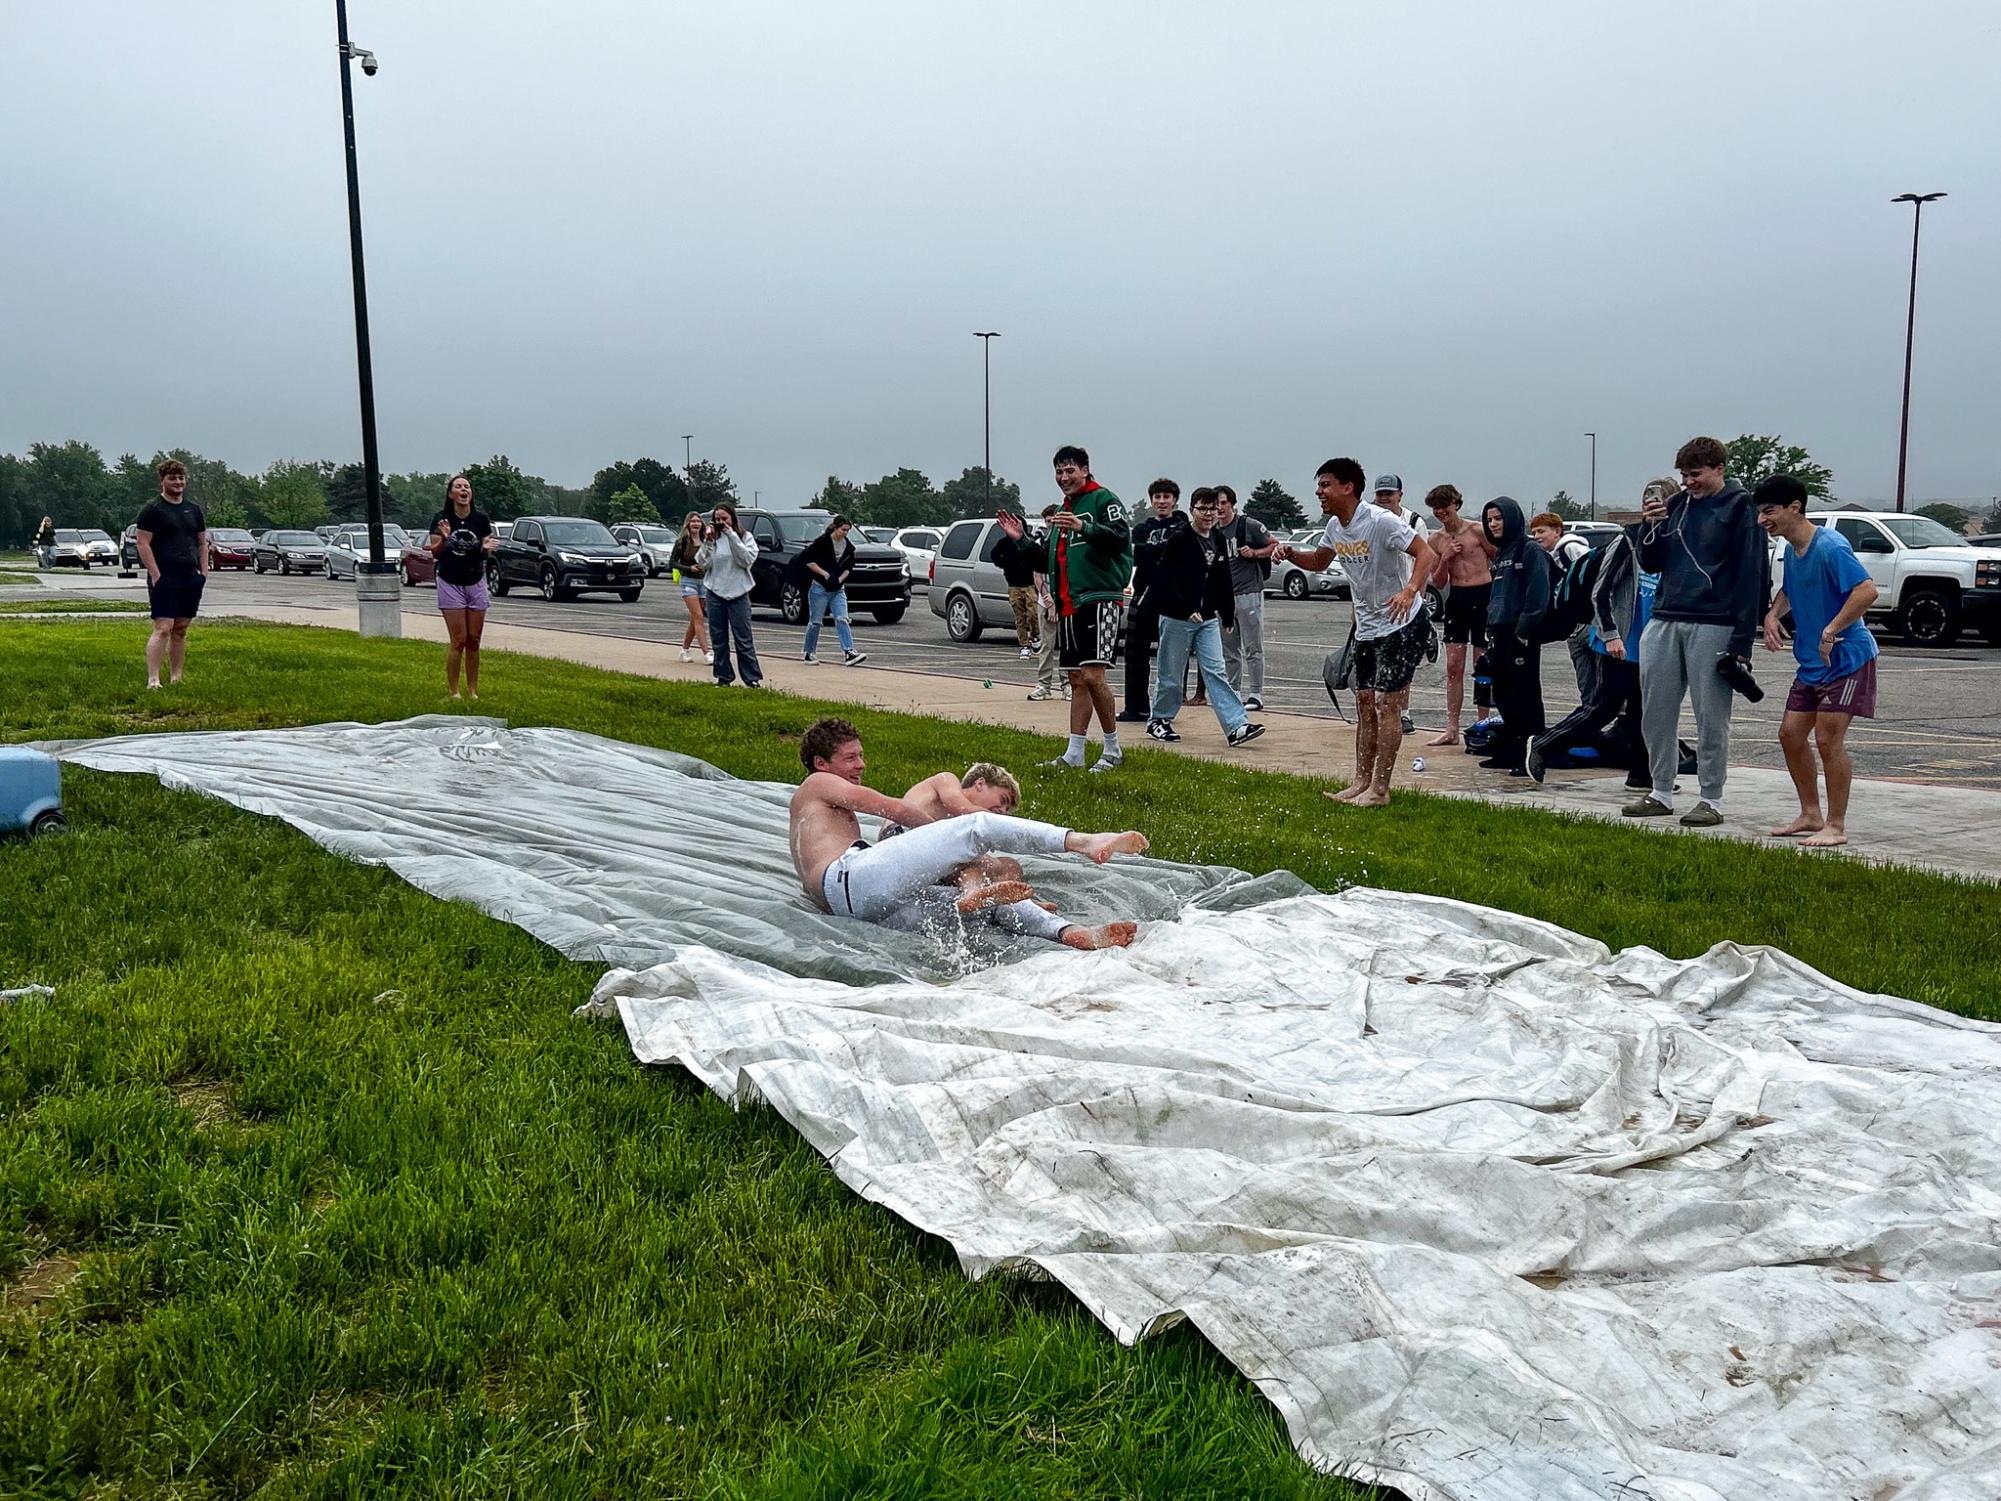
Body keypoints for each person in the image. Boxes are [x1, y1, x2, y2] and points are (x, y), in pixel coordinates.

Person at [790, 717, 1144, 950]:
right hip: (848, 883)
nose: (861, 765)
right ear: (821, 763)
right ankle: (1083, 841)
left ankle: (1070, 933)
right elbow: (892, 808)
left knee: (989, 904)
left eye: (861, 756)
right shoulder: (818, 783)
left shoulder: (812, 806)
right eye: (851, 758)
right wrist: (946, 841)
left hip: (861, 906)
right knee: (974, 828)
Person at [1274, 457, 1437, 807]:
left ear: (1348, 487)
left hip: (1402, 622)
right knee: (1364, 703)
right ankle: (1361, 781)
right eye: (1319, 485)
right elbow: (1319, 561)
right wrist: (1290, 553)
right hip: (1366, 627)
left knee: (1386, 703)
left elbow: (1426, 555)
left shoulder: (1381, 522)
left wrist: (1410, 590)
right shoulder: (1335, 526)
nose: (1319, 492)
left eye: (1326, 485)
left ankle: (1380, 789)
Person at [1625, 436, 1768, 827]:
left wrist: (1742, 640)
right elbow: (1652, 563)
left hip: (1714, 620)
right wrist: (1649, 525)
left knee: (1710, 716)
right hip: (1666, 614)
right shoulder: (1676, 506)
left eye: (1697, 474)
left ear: (1719, 469)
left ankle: (1712, 797)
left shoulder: (1741, 507)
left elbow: (1751, 573)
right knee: (1655, 710)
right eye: (1684, 475)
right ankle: (1660, 790)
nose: (1689, 482)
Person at [1758, 474, 1880, 849]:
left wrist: (1831, 630)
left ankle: (1836, 825)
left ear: (1795, 507)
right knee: (1790, 735)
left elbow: (1867, 591)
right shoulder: (1792, 549)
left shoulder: (1830, 546)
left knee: (1828, 740)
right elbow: (1792, 589)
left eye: (1769, 511)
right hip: (1812, 663)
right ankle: (1810, 814)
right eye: (1759, 513)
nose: (1762, 520)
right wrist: (1773, 615)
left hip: (1847, 657)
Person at [1035, 445, 1132, 772]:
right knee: (1077, 678)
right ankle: (1074, 753)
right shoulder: (1066, 507)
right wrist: (1019, 540)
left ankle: (1113, 749)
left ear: (1086, 470)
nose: (1064, 478)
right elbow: (1051, 558)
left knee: (1093, 675)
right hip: (1070, 604)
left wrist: (1084, 527)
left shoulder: (1103, 500)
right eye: (1059, 472)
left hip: (1100, 599)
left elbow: (1120, 538)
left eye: (1070, 471)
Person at [1146, 487, 1266, 747]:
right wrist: (1186, 607)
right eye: (1203, 509)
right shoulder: (1180, 539)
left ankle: (1237, 726)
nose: (1209, 514)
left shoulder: (1219, 538)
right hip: (1178, 617)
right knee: (1172, 672)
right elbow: (1166, 579)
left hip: (1208, 618)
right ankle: (1159, 719)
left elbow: (1222, 579)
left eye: (1214, 508)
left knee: (1216, 671)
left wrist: (1226, 613)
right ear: (1192, 510)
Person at [1477, 497, 1554, 774]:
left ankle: (1531, 756)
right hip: (1499, 633)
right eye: (1489, 520)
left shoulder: (1529, 549)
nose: (1493, 524)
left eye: (1498, 518)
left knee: (1526, 697)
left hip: (1520, 635)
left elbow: (1538, 594)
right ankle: (1508, 752)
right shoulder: (1502, 553)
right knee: (1504, 695)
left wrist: (1524, 630)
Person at [1423, 483, 1494, 746]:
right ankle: (1451, 727)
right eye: (1436, 508)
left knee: (1482, 664)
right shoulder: (1436, 540)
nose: (1441, 512)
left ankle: (1482, 723)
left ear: (1456, 504)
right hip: (1458, 600)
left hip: (1482, 596)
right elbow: (1439, 582)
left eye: (1445, 506)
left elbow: (1497, 557)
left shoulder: (1476, 530)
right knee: (1454, 667)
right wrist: (1446, 558)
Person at [134, 459, 207, 690]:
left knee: (181, 629)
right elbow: (142, 543)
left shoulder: (193, 510)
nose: (178, 482)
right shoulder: (153, 510)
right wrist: (155, 575)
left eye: (181, 478)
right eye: (172, 478)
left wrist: (203, 573)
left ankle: (177, 677)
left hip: (190, 576)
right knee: (163, 627)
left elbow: (202, 543)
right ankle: (153, 680)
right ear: (162, 481)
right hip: (165, 576)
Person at [1118, 480, 1186, 722]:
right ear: (1151, 500)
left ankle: (1165, 710)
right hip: (1142, 597)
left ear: (1175, 500)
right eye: (1157, 497)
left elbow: (1176, 554)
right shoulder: (1140, 529)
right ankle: (1136, 708)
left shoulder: (1183, 527)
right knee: (1135, 656)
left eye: (1166, 496)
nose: (1162, 501)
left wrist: (1152, 551)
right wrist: (1155, 551)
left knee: (1170, 659)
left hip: (1171, 601)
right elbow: (1133, 554)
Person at [427, 474, 499, 701]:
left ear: (470, 494)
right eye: (458, 486)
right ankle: (454, 691)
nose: (463, 489)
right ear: (451, 494)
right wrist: (445, 538)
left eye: (466, 486)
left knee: (474, 641)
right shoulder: (441, 519)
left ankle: (473, 691)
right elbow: (435, 553)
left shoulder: (481, 519)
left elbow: (485, 552)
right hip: (450, 582)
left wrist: (486, 548)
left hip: (475, 581)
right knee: (458, 640)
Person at [1213, 485, 1277, 712]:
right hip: (1224, 598)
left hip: (1248, 592)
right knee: (1229, 650)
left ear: (1232, 504)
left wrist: (1255, 553)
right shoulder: (1213, 531)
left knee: (1253, 646)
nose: (1219, 508)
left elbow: (1274, 545)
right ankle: (1234, 691)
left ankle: (1256, 693)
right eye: (1215, 504)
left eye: (1223, 503)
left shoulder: (1247, 525)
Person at [1531, 511, 1597, 702]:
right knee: (1585, 680)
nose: (1537, 537)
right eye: (1534, 532)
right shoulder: (1551, 555)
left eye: (1541, 531)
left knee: (1596, 677)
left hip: (1587, 623)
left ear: (1557, 531)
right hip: (1573, 626)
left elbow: (1592, 574)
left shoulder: (1570, 548)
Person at [698, 501, 763, 688]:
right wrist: (709, 542)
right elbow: (703, 563)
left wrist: (732, 535)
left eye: (724, 519)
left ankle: (751, 678)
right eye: (717, 519)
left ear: (733, 519)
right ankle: (723, 676)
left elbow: (746, 560)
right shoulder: (712, 539)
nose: (721, 523)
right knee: (718, 637)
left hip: (739, 592)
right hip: (715, 591)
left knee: (743, 636)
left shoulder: (745, 537)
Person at [799, 514, 868, 666]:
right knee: (815, 622)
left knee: (842, 618)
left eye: (848, 530)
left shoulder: (848, 547)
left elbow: (849, 567)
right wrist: (824, 574)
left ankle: (849, 652)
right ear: (835, 528)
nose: (845, 533)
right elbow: (808, 560)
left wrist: (840, 579)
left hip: (838, 590)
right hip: (819, 588)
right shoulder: (822, 542)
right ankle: (809, 652)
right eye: (843, 530)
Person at [1024, 505, 1069, 703]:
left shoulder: (1065, 544)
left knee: (1067, 646)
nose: (1051, 524)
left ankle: (1067, 684)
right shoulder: (1041, 542)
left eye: (1054, 521)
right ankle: (1044, 684)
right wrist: (1048, 600)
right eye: (1048, 521)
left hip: (1066, 601)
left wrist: (1058, 603)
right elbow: (1037, 575)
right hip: (1046, 600)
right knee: (1046, 645)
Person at [989, 510, 1044, 660]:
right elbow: (994, 556)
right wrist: (1005, 564)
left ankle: (1035, 636)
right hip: (1013, 585)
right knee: (1020, 616)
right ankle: (1024, 645)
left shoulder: (1030, 542)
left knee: (1033, 614)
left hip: (1029, 584)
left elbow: (1039, 557)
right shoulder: (1004, 543)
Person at [667, 511, 713, 665]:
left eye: (698, 521)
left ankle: (684, 649)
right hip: (688, 582)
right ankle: (707, 652)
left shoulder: (707, 541)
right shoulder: (682, 542)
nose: (695, 524)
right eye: (692, 521)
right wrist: (688, 568)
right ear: (688, 524)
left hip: (703, 582)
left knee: (695, 619)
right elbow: (672, 562)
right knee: (699, 616)